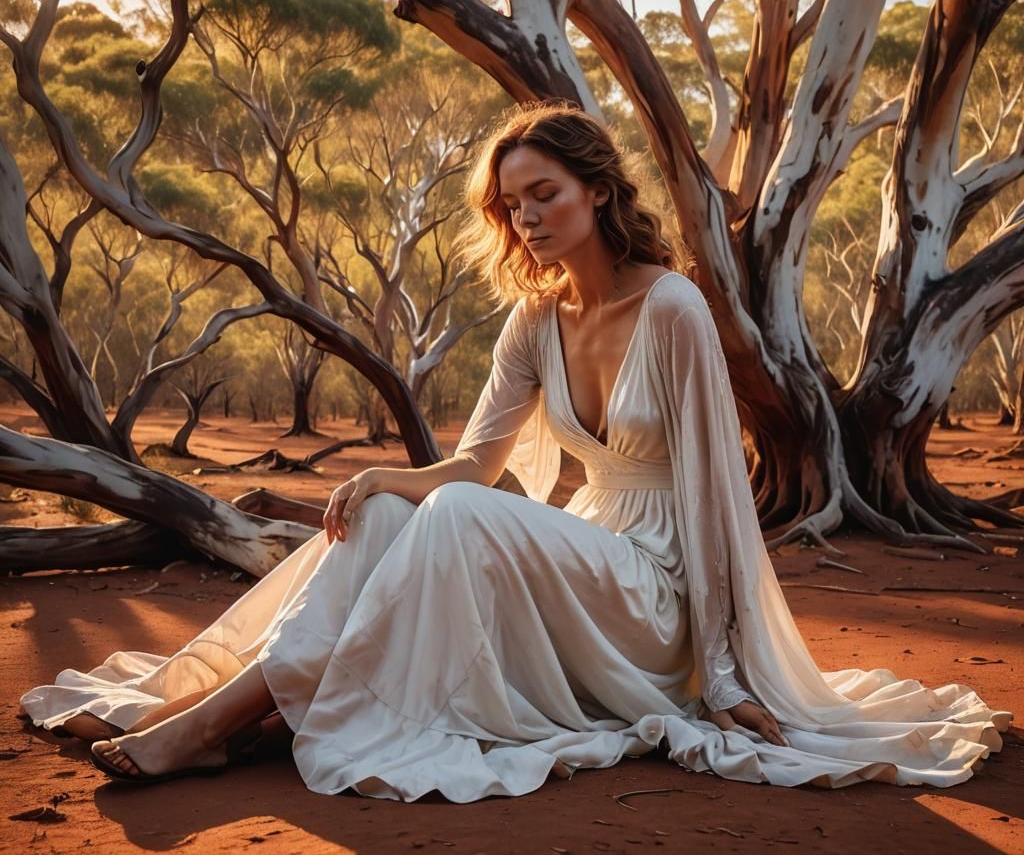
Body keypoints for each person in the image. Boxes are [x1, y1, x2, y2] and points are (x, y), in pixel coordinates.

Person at [20, 102, 1009, 799]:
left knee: (448, 517)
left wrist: (723, 667)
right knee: (400, 509)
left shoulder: (669, 307)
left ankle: (220, 724)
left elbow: (713, 494)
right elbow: (475, 468)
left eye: (543, 194)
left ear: (596, 190)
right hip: (584, 556)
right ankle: (244, 704)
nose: (526, 219)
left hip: (657, 592)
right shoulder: (535, 319)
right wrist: (380, 476)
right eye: (511, 206)